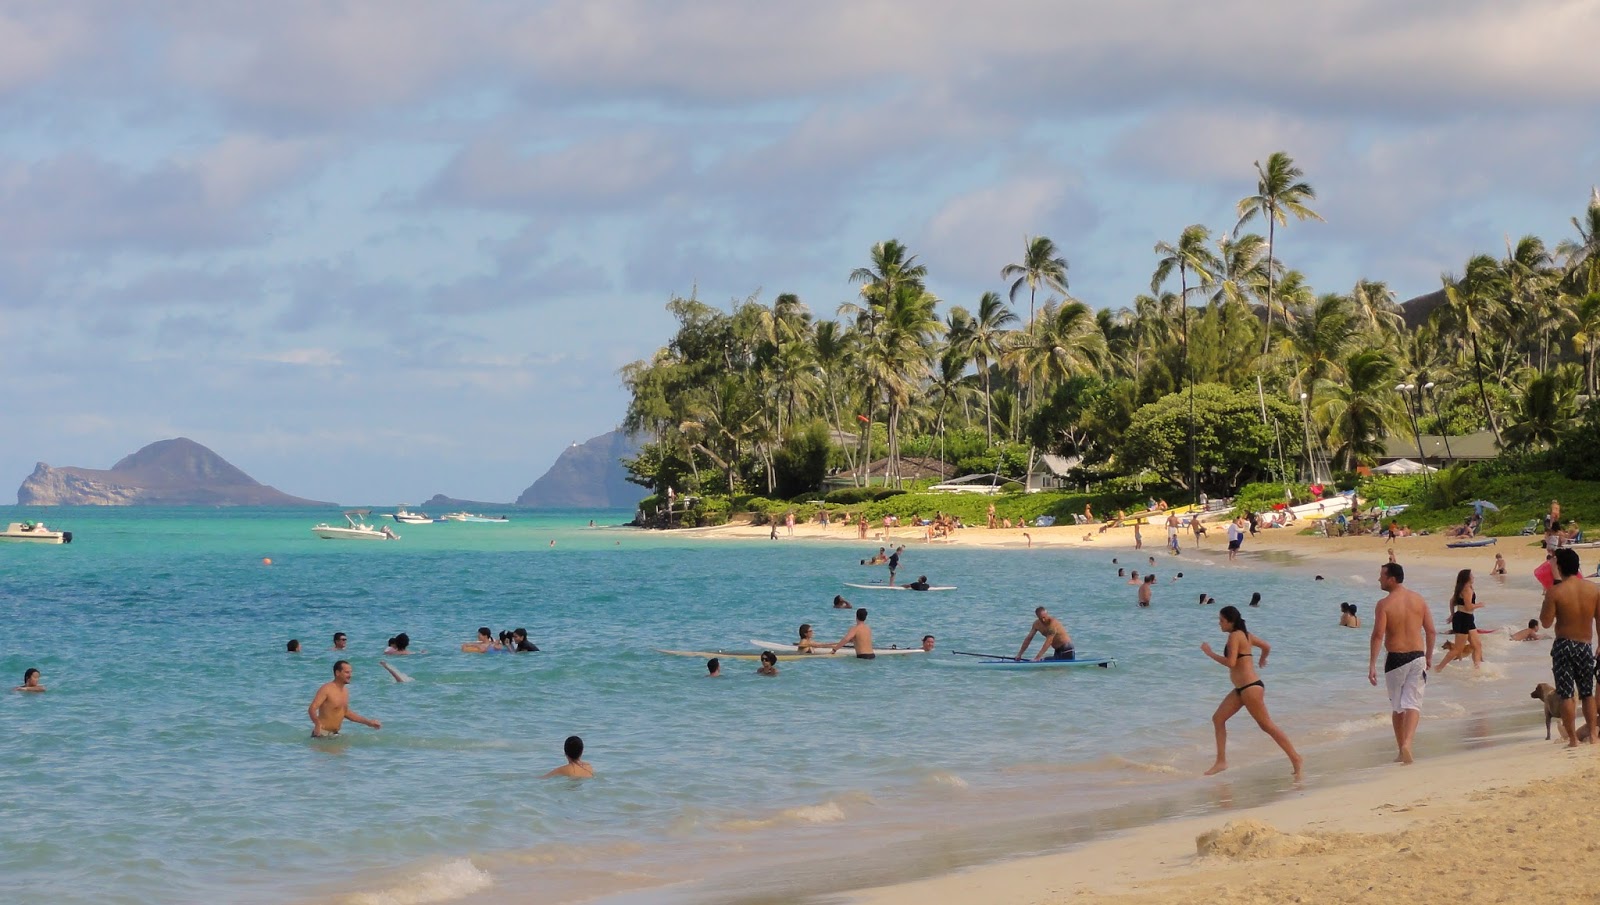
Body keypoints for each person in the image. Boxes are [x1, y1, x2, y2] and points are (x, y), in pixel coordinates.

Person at [1201, 605, 1302, 778]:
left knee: (1267, 725)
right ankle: (1221, 761)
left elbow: (1231, 662)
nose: (1219, 624)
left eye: (1221, 620)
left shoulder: (1235, 636)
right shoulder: (1246, 636)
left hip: (1250, 688)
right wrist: (1262, 659)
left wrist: (1210, 653)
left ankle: (1296, 758)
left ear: (1231, 622)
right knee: (1218, 718)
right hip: (1242, 689)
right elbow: (1266, 646)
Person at [1368, 562, 1435, 764]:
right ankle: (1407, 743)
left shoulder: (1384, 604)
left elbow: (1378, 635)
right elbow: (1431, 631)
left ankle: (1400, 749)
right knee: (1413, 704)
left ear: (1392, 579)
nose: (1379, 579)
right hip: (1417, 656)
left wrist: (1372, 664)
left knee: (1398, 707)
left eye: (1382, 576)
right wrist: (1429, 656)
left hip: (1396, 659)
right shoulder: (1418, 600)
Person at [1538, 547, 1600, 747]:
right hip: (1585, 645)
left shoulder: (1555, 592)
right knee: (1587, 693)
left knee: (1566, 694)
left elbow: (1546, 623)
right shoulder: (1593, 590)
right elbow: (1599, 622)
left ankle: (1573, 739)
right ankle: (1593, 735)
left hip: (1564, 645)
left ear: (1560, 567)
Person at [308, 660, 381, 737]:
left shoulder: (345, 691)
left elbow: (346, 713)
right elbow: (312, 708)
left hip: (335, 735)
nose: (350, 675)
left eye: (351, 672)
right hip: (321, 734)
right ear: (337, 673)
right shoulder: (326, 689)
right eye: (347, 672)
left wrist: (368, 722)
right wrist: (317, 724)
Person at [1437, 569, 1483, 671]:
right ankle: (1438, 668)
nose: (1474, 577)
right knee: (1458, 649)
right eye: (1472, 575)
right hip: (1464, 619)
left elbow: (1451, 601)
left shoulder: (1462, 587)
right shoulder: (1467, 589)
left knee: (1477, 645)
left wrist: (1452, 615)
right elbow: (1468, 607)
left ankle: (1477, 670)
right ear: (1467, 578)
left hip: (1466, 618)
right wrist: (1479, 605)